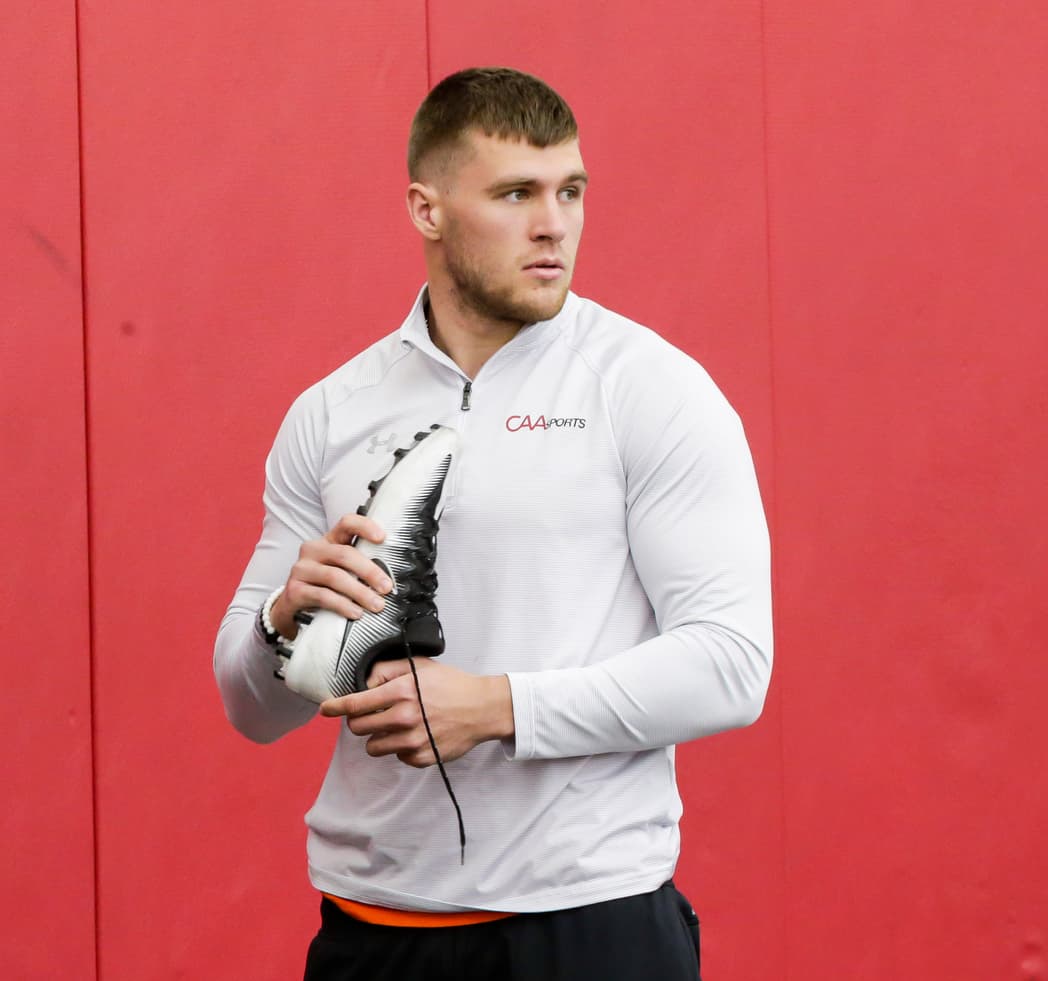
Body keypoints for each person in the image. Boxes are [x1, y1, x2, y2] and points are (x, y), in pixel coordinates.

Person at [214, 66, 772, 981]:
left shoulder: (652, 388)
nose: (555, 223)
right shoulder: (331, 410)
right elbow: (252, 710)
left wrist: (498, 707)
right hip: (372, 926)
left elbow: (731, 664)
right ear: (427, 210)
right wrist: (284, 623)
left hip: (590, 925)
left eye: (571, 190)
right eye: (516, 193)